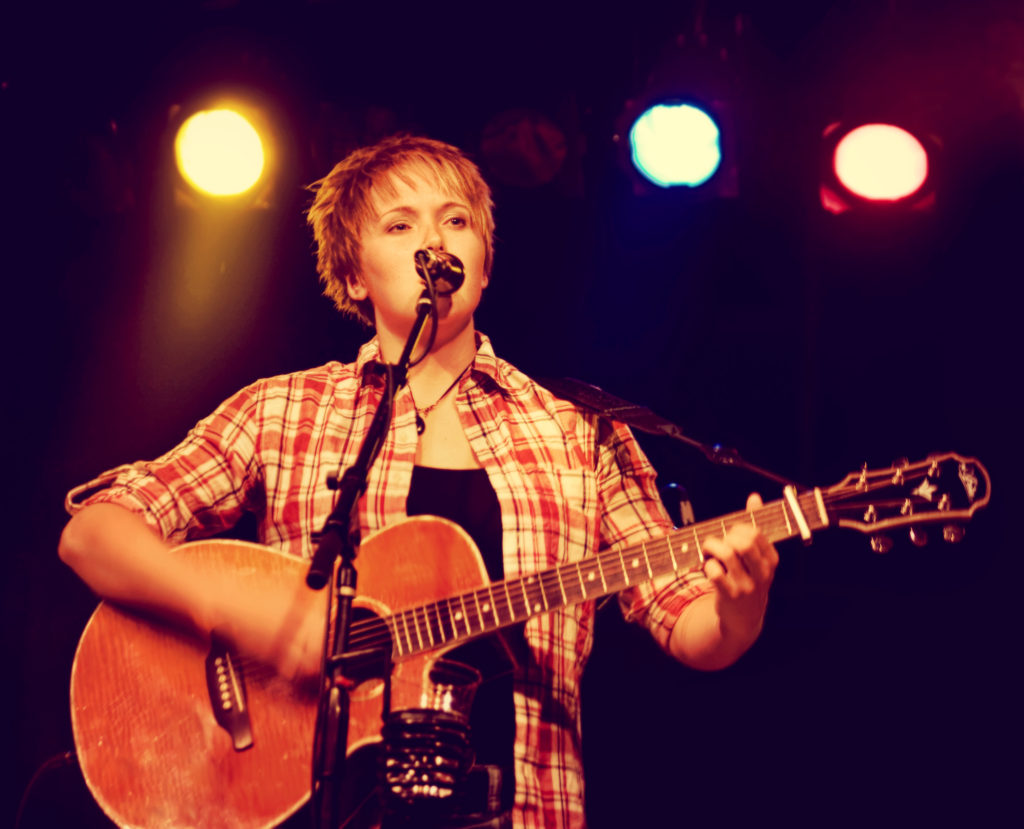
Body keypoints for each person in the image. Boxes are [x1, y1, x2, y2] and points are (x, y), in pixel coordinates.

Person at [59, 134, 778, 828]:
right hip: (319, 804)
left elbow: (689, 625)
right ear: (350, 275)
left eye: (455, 220)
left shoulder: (580, 428)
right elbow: (94, 533)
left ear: (484, 262)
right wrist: (244, 614)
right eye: (400, 224)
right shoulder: (281, 410)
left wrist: (740, 604)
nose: (434, 241)